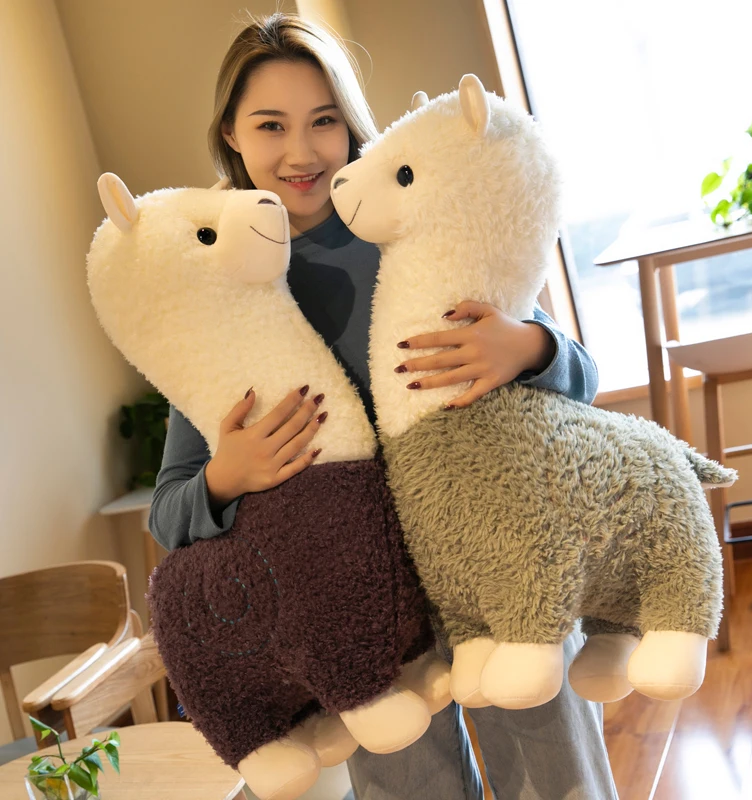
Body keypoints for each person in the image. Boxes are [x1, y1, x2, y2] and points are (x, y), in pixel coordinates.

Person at [149, 12, 618, 800]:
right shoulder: (214, 289)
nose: (302, 152)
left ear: (350, 122)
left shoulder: (417, 216)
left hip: (500, 576)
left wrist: (529, 348)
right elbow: (168, 512)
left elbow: (583, 377)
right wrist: (227, 477)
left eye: (324, 120)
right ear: (231, 133)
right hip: (363, 621)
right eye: (271, 125)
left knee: (561, 784)